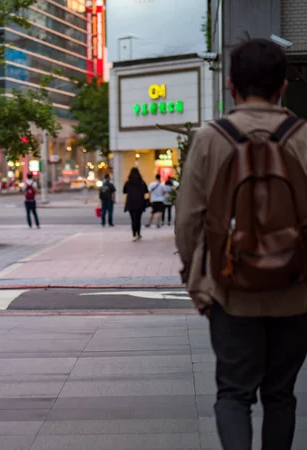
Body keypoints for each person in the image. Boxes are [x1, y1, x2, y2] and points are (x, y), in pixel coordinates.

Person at [176, 38, 307, 450]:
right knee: (281, 395)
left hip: (230, 289)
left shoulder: (212, 138)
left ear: (231, 85)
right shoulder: (304, 137)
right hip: (297, 290)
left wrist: (197, 279)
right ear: (282, 86)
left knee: (233, 394)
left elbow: (189, 219)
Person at [123, 167, 148, 241]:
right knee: (138, 219)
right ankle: (138, 233)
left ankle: (134, 235)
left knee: (133, 219)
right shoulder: (141, 182)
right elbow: (146, 191)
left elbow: (124, 191)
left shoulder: (128, 182)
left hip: (131, 202)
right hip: (140, 202)